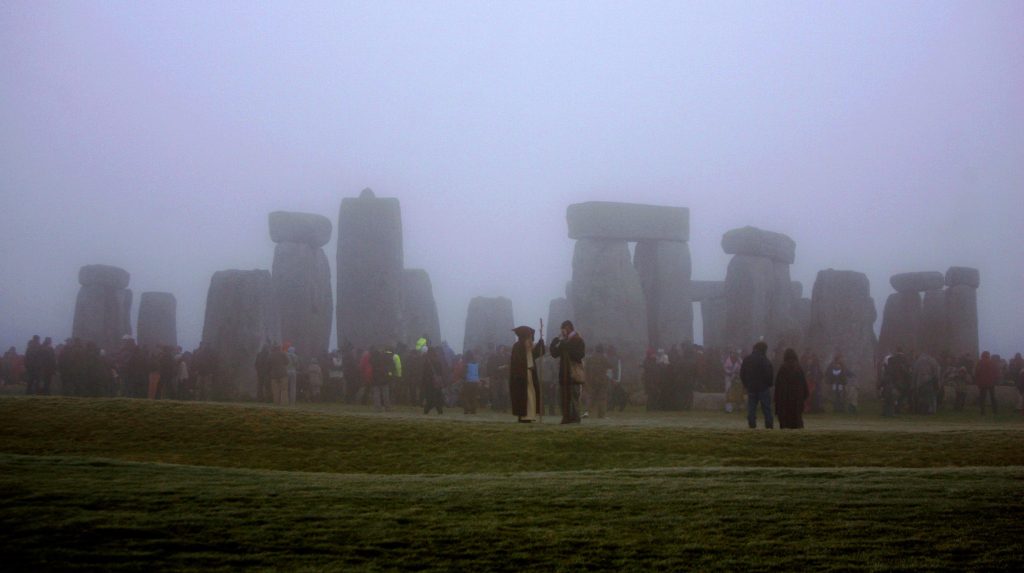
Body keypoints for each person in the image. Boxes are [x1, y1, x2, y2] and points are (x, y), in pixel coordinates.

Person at [549, 320, 585, 424]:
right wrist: (556, 341)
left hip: (573, 373)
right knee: (563, 397)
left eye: (564, 329)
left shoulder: (578, 340)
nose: (563, 331)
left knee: (573, 396)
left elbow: (579, 355)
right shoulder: (563, 341)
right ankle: (566, 417)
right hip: (563, 373)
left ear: (569, 328)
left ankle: (575, 417)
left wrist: (566, 345)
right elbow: (554, 353)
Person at [509, 326, 546, 423]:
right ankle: (524, 416)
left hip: (529, 373)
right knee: (525, 396)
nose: (530, 340)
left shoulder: (527, 347)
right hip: (521, 376)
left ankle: (530, 415)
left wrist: (541, 342)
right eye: (529, 337)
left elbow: (537, 353)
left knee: (532, 394)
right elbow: (517, 362)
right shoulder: (518, 347)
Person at [740, 341, 774, 429]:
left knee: (751, 408)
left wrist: (746, 384)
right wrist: (769, 384)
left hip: (751, 387)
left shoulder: (747, 359)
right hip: (763, 387)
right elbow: (769, 373)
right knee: (766, 409)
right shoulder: (764, 359)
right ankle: (769, 425)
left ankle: (752, 424)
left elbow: (742, 373)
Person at [774, 348, 809, 429]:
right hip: (797, 399)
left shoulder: (783, 368)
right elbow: (804, 385)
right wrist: (804, 396)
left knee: (785, 421)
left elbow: (778, 386)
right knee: (797, 420)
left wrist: (777, 399)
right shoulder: (798, 368)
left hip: (785, 400)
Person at [585, 345, 611, 419]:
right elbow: (610, 366)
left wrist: (587, 379)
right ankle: (601, 415)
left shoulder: (590, 359)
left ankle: (587, 412)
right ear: (602, 350)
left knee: (590, 397)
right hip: (602, 381)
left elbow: (586, 369)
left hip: (591, 380)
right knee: (602, 398)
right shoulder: (604, 358)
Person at [422, 346, 445, 415]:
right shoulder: (438, 360)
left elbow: (425, 372)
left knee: (429, 396)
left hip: (429, 381)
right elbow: (441, 371)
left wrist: (423, 381)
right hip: (437, 381)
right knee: (437, 396)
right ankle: (439, 409)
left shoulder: (427, 360)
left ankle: (427, 409)